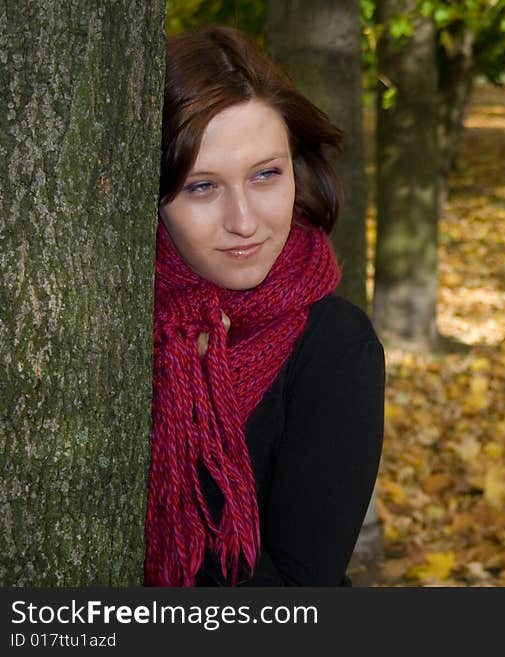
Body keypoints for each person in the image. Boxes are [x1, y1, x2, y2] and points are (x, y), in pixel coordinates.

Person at [143, 25, 385, 587]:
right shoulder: (112, 322)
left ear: (296, 170)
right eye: (201, 187)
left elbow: (300, 590)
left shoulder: (336, 347)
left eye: (265, 175)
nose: (244, 222)